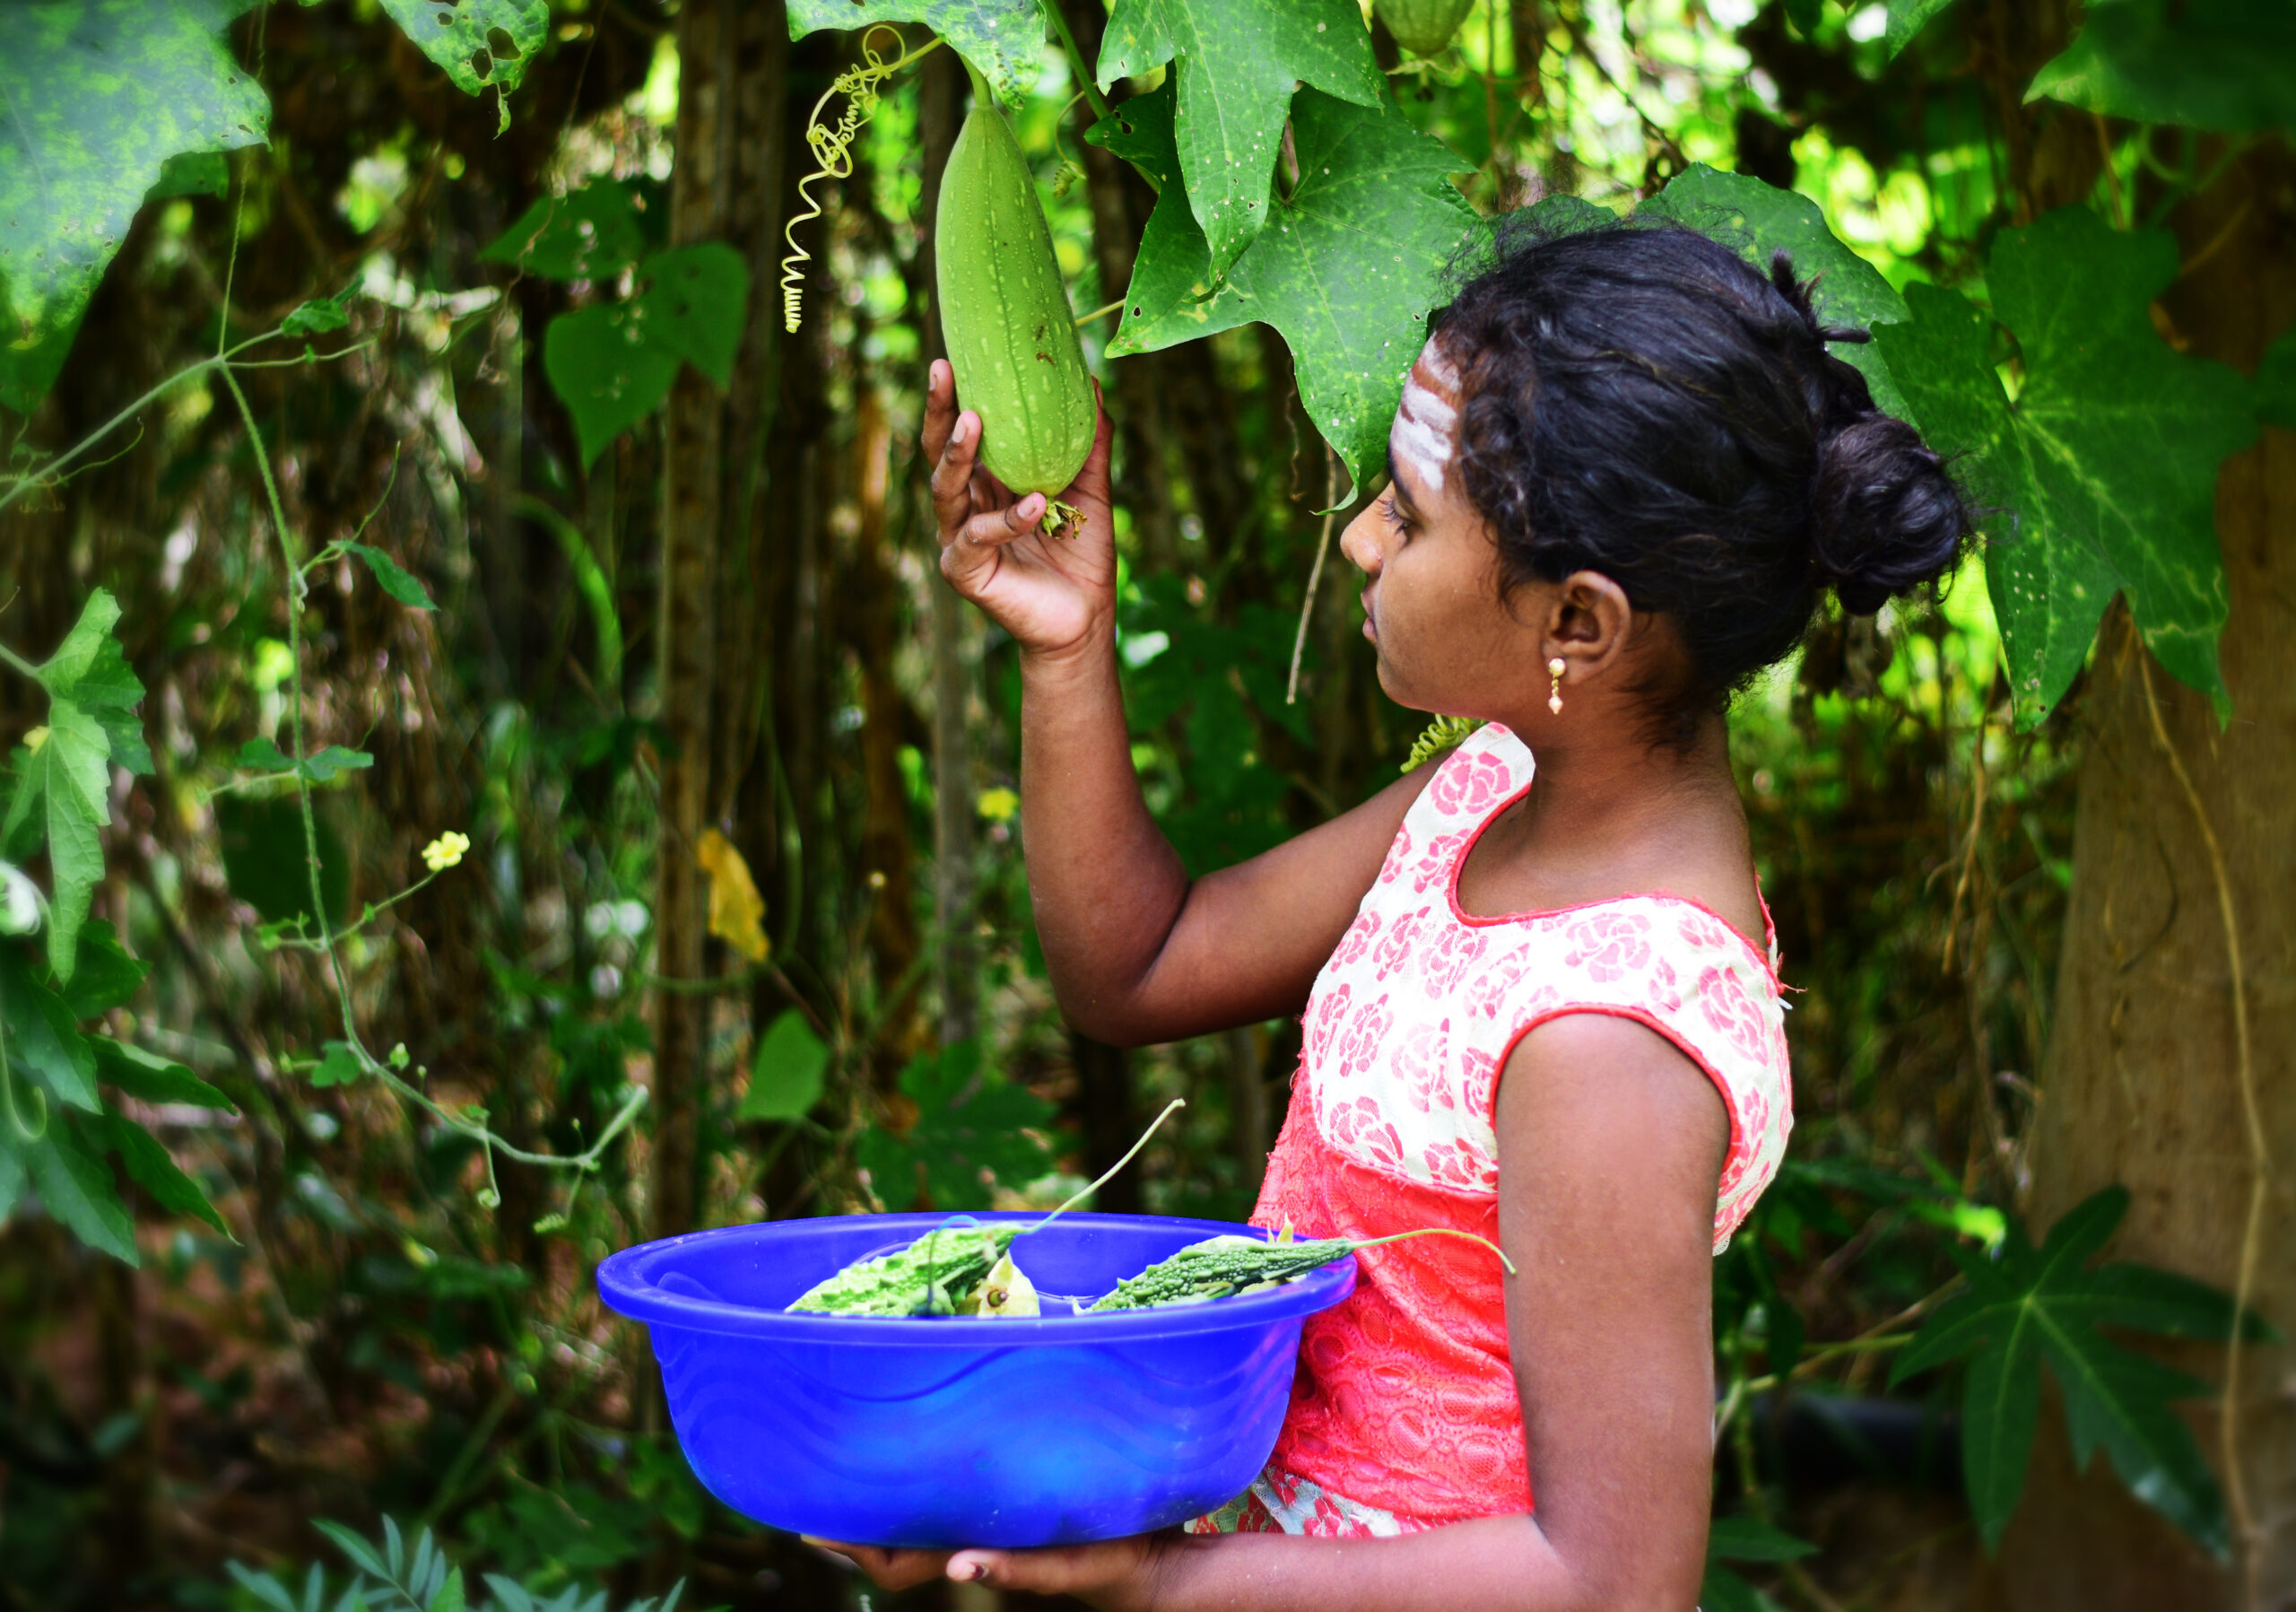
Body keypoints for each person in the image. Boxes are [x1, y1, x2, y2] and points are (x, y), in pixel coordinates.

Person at [819, 218, 1971, 1610]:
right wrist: (1069, 646)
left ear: (1580, 625)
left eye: (1410, 518)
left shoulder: (1610, 1032)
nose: (1360, 535)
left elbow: (1612, 1581)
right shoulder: (1489, 790)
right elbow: (1141, 963)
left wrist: (1157, 1583)